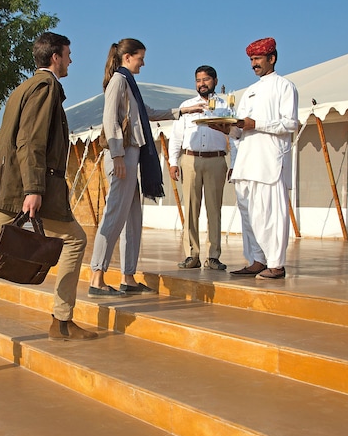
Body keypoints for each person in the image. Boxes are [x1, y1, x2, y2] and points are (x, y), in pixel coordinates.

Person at [0, 32, 97, 374]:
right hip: (25, 190)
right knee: (74, 239)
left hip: (10, 188)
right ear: (55, 57)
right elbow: (30, 142)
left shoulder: (23, 88)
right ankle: (60, 322)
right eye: (68, 54)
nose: (71, 60)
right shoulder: (45, 89)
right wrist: (33, 188)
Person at [88, 38, 203, 297]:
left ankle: (128, 277)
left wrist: (184, 111)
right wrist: (117, 156)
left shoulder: (129, 82)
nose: (143, 62)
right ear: (127, 57)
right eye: (140, 57)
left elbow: (146, 112)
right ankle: (97, 276)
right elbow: (110, 119)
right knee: (114, 215)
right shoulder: (118, 80)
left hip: (131, 155)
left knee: (132, 219)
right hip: (122, 155)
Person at [208, 37, 298, 280]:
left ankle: (276, 264)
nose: (254, 64)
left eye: (258, 59)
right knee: (249, 216)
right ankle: (257, 260)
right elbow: (240, 130)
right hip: (246, 162)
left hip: (269, 161)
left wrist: (254, 124)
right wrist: (226, 128)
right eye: (251, 60)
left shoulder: (285, 87)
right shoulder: (249, 92)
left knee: (270, 215)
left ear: (272, 58)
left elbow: (290, 124)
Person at [168, 65, 234, 270]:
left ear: (214, 80)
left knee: (214, 209)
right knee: (191, 208)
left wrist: (236, 163)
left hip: (216, 160)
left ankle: (213, 255)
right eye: (198, 80)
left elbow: (234, 135)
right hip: (190, 160)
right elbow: (177, 136)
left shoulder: (226, 105)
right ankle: (192, 254)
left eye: (205, 80)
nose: (201, 84)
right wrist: (173, 162)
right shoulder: (187, 106)